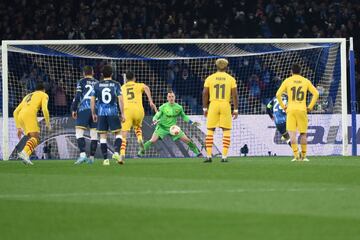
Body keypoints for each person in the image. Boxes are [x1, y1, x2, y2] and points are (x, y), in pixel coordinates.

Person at [276, 63, 319, 161]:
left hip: (290, 110)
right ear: (300, 71)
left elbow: (278, 94)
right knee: (303, 134)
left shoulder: (287, 81)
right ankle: (303, 156)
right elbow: (316, 93)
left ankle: (296, 156)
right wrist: (310, 107)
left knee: (292, 134)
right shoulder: (305, 81)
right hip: (302, 109)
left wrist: (284, 107)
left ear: (291, 71)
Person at [137, 90, 201, 157]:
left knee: (187, 140)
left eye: (172, 96)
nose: (171, 98)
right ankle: (140, 152)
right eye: (169, 97)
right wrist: (154, 119)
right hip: (162, 128)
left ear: (175, 97)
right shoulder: (163, 107)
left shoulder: (179, 108)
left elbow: (184, 117)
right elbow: (157, 115)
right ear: (167, 98)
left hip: (173, 128)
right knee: (152, 140)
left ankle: (197, 153)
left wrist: (192, 122)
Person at [202, 58, 239, 163]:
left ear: (216, 66)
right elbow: (235, 95)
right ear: (226, 67)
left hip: (213, 104)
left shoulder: (210, 78)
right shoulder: (231, 79)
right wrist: (235, 109)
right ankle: (224, 156)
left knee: (210, 130)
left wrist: (205, 108)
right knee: (226, 130)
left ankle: (209, 156)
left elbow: (205, 93)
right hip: (225, 104)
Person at [90, 65, 125, 166]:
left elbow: (92, 100)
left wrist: (93, 113)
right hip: (113, 112)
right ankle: (116, 153)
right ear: (112, 74)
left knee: (103, 136)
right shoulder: (116, 84)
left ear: (102, 75)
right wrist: (122, 113)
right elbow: (120, 99)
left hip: (101, 113)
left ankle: (105, 160)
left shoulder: (96, 85)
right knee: (118, 133)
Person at [120, 71, 157, 163]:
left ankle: (122, 155)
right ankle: (140, 139)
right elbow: (146, 88)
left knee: (124, 134)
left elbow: (120, 99)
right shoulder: (139, 85)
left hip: (127, 110)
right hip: (139, 110)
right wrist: (150, 101)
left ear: (126, 79)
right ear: (134, 78)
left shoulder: (122, 87)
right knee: (137, 127)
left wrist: (122, 112)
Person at [13, 81, 51, 165]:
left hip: (20, 116)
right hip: (29, 114)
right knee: (36, 138)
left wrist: (18, 127)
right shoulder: (44, 95)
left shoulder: (28, 96)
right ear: (44, 90)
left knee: (34, 138)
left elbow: (15, 112)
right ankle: (24, 153)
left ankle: (26, 155)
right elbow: (45, 109)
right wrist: (48, 123)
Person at [71, 66, 99, 164]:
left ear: (83, 73)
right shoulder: (97, 82)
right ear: (93, 72)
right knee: (94, 134)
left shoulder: (81, 82)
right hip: (95, 109)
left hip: (84, 109)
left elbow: (78, 96)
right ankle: (91, 158)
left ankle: (82, 155)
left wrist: (74, 109)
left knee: (79, 132)